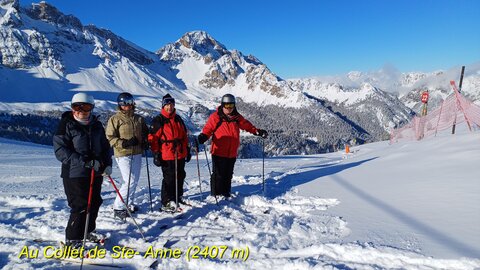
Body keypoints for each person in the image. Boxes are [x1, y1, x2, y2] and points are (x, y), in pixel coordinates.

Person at [53, 92, 112, 247]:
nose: (81, 111)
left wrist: (107, 164)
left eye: (85, 107)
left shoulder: (96, 125)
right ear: (72, 108)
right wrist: (85, 161)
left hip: (95, 171)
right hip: (74, 173)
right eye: (76, 107)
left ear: (91, 109)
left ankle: (87, 231)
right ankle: (73, 239)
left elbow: (105, 147)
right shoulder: (67, 124)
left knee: (94, 202)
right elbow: (60, 151)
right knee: (80, 205)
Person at [196, 94, 268, 198]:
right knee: (218, 175)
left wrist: (257, 131)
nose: (229, 108)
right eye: (227, 105)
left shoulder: (237, 117)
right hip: (219, 151)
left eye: (231, 105)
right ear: (222, 105)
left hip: (232, 152)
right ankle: (216, 195)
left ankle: (226, 193)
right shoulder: (216, 117)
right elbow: (208, 129)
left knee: (228, 174)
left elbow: (247, 125)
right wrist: (203, 136)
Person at [105, 92, 148, 220]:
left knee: (134, 181)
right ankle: (118, 207)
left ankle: (128, 204)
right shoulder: (115, 119)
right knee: (129, 180)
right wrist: (124, 143)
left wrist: (145, 141)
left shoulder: (139, 119)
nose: (127, 106)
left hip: (137, 153)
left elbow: (146, 133)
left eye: (129, 103)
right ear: (120, 105)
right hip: (123, 153)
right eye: (124, 104)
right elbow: (110, 137)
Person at [148, 94, 191, 212]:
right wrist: (156, 153)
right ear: (163, 106)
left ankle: (178, 197)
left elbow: (184, 135)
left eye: (171, 104)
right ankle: (166, 201)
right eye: (167, 105)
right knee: (169, 177)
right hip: (167, 153)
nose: (169, 107)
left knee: (180, 175)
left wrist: (187, 149)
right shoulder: (159, 120)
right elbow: (153, 138)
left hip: (180, 152)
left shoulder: (178, 118)